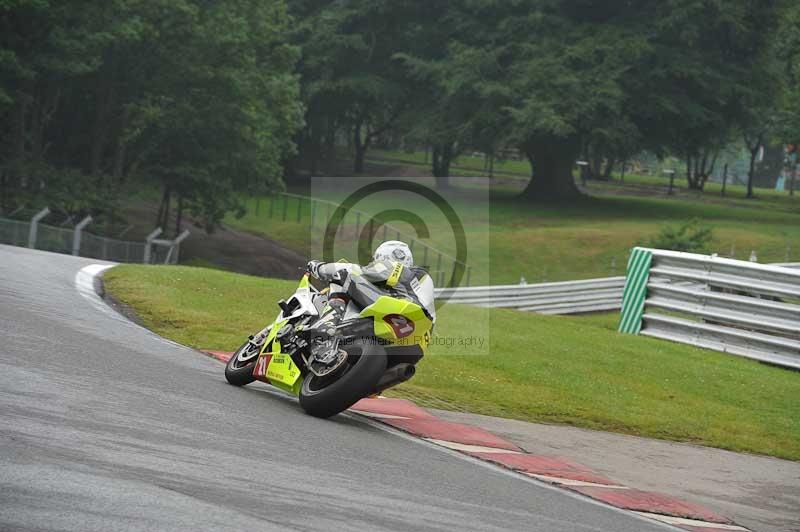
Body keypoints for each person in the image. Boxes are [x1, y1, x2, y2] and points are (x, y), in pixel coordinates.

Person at [306, 240, 436, 335]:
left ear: (383, 257)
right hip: (420, 335)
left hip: (401, 313)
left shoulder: (395, 267)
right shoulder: (419, 279)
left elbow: (354, 270)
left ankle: (328, 322)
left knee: (344, 275)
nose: (374, 263)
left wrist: (319, 268)